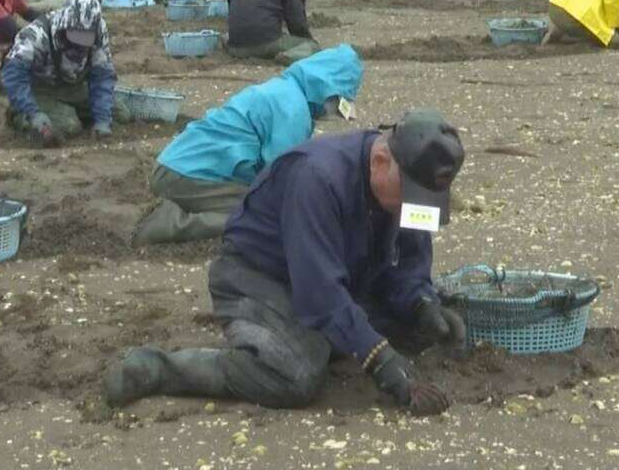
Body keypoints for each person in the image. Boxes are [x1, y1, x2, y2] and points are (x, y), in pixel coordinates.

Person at [105, 110, 467, 416]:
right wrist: (380, 359)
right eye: (411, 198)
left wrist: (422, 304)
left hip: (338, 276)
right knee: (294, 377)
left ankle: (321, 340)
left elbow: (408, 262)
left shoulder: (408, 187)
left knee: (410, 330)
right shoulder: (317, 178)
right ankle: (159, 369)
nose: (415, 208)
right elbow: (320, 292)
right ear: (380, 161)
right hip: (258, 277)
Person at [133, 45, 364, 245]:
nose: (331, 112)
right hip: (184, 175)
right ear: (328, 91)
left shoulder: (285, 91)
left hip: (177, 166)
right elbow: (282, 177)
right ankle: (167, 224)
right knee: (262, 216)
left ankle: (181, 206)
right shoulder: (292, 110)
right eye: (336, 104)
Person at [1, 0, 117, 146]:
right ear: (64, 25)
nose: (79, 45)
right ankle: (20, 115)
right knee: (69, 125)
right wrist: (32, 112)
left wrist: (102, 120)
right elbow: (12, 74)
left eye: (85, 39)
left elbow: (102, 74)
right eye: (74, 35)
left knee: (118, 112)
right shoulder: (35, 35)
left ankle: (64, 111)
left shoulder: (99, 32)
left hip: (73, 86)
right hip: (41, 90)